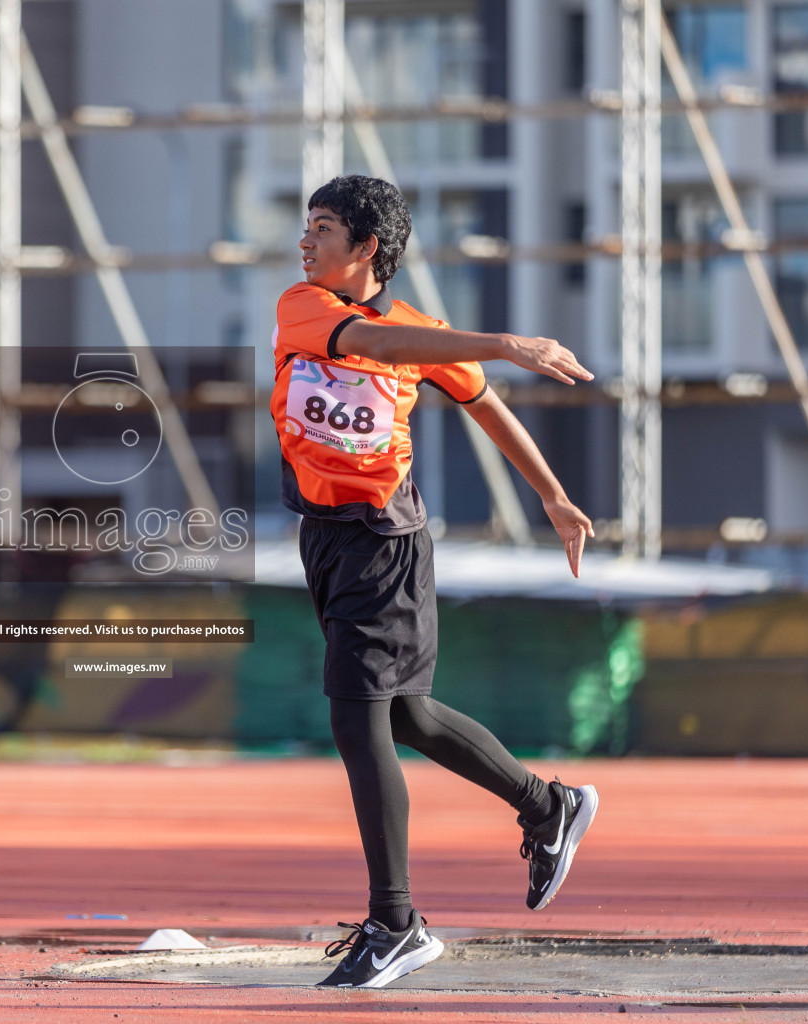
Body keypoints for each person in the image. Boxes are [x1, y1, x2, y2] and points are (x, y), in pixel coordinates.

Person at [273, 177, 599, 989]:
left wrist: (554, 498)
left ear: (367, 248)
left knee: (359, 718)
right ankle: (545, 805)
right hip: (325, 539)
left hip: (386, 543)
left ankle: (397, 922)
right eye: (305, 227)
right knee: (408, 715)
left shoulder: (426, 333)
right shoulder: (304, 306)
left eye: (322, 229)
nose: (305, 243)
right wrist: (502, 341)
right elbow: (376, 348)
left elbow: (485, 408)